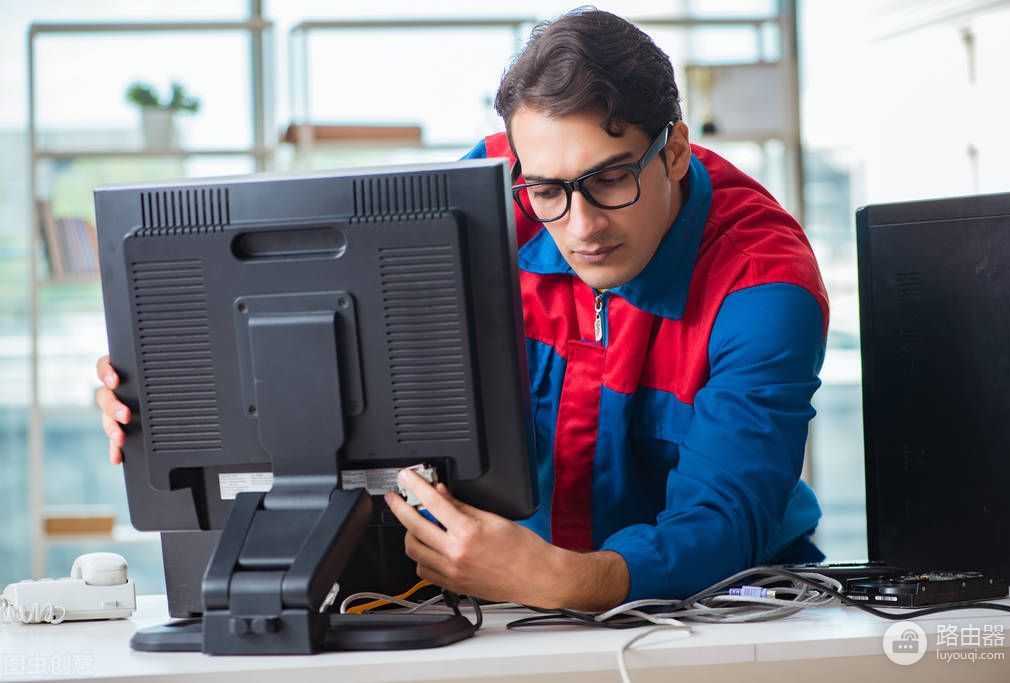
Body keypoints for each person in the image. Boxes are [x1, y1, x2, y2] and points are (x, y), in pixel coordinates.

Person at [96, 8, 829, 612]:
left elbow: (719, 523)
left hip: (719, 615)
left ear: (673, 152)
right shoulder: (480, 204)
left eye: (608, 181)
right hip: (498, 604)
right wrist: (161, 389)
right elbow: (330, 341)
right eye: (546, 189)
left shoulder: (763, 286)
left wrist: (560, 579)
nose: (579, 225)